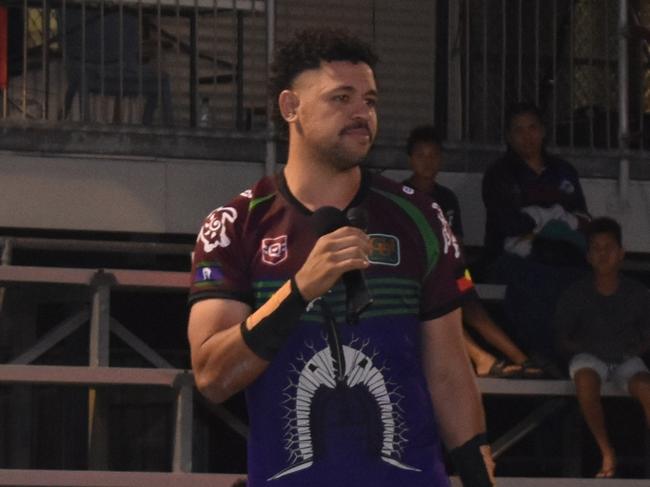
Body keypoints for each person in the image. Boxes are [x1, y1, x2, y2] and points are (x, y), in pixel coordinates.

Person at [187, 29, 495, 486]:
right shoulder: (234, 224)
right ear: (291, 107)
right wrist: (298, 291)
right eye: (341, 98)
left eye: (369, 100)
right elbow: (213, 376)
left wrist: (480, 479)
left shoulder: (421, 216)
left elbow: (450, 375)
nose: (362, 113)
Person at [404, 125, 541, 378]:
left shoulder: (446, 197)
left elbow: (457, 240)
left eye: (433, 155)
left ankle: (521, 358)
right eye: (421, 155)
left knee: (471, 303)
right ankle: (482, 358)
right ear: (411, 159)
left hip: (449, 269)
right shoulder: (400, 196)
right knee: (442, 309)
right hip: (416, 276)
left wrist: (459, 270)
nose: (427, 161)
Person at [481, 102, 591, 370]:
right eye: (518, 130)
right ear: (508, 136)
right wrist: (552, 216)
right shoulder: (499, 175)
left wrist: (546, 221)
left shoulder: (563, 171)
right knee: (537, 284)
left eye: (532, 128)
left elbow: (582, 220)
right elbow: (508, 223)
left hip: (564, 257)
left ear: (543, 132)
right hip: (513, 260)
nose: (527, 136)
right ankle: (542, 354)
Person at [554, 217, 650, 479]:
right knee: (585, 380)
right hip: (589, 357)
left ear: (621, 253)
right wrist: (586, 346)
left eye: (608, 247)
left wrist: (637, 349)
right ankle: (606, 451)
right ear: (588, 255)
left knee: (646, 387)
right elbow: (562, 336)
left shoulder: (638, 293)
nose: (602, 253)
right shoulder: (575, 293)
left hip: (625, 358)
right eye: (596, 247)